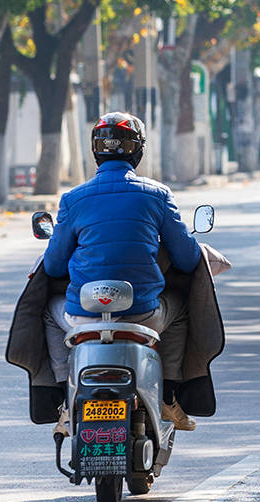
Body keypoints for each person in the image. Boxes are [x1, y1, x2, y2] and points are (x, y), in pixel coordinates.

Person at [41, 112, 203, 431]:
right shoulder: (157, 195)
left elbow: (54, 266)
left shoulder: (72, 199)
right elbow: (186, 260)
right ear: (137, 151)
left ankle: (64, 400)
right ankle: (168, 396)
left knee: (49, 311)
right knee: (181, 310)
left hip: (83, 319)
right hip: (142, 316)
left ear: (95, 150)